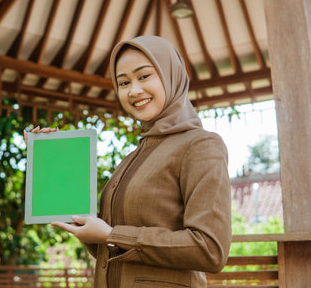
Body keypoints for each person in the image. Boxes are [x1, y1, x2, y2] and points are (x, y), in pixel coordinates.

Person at [29, 35, 232, 287]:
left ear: (171, 75)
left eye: (144, 76)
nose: (134, 90)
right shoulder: (132, 158)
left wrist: (113, 234)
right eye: (123, 82)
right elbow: (111, 250)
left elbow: (210, 250)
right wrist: (54, 159)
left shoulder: (200, 144)